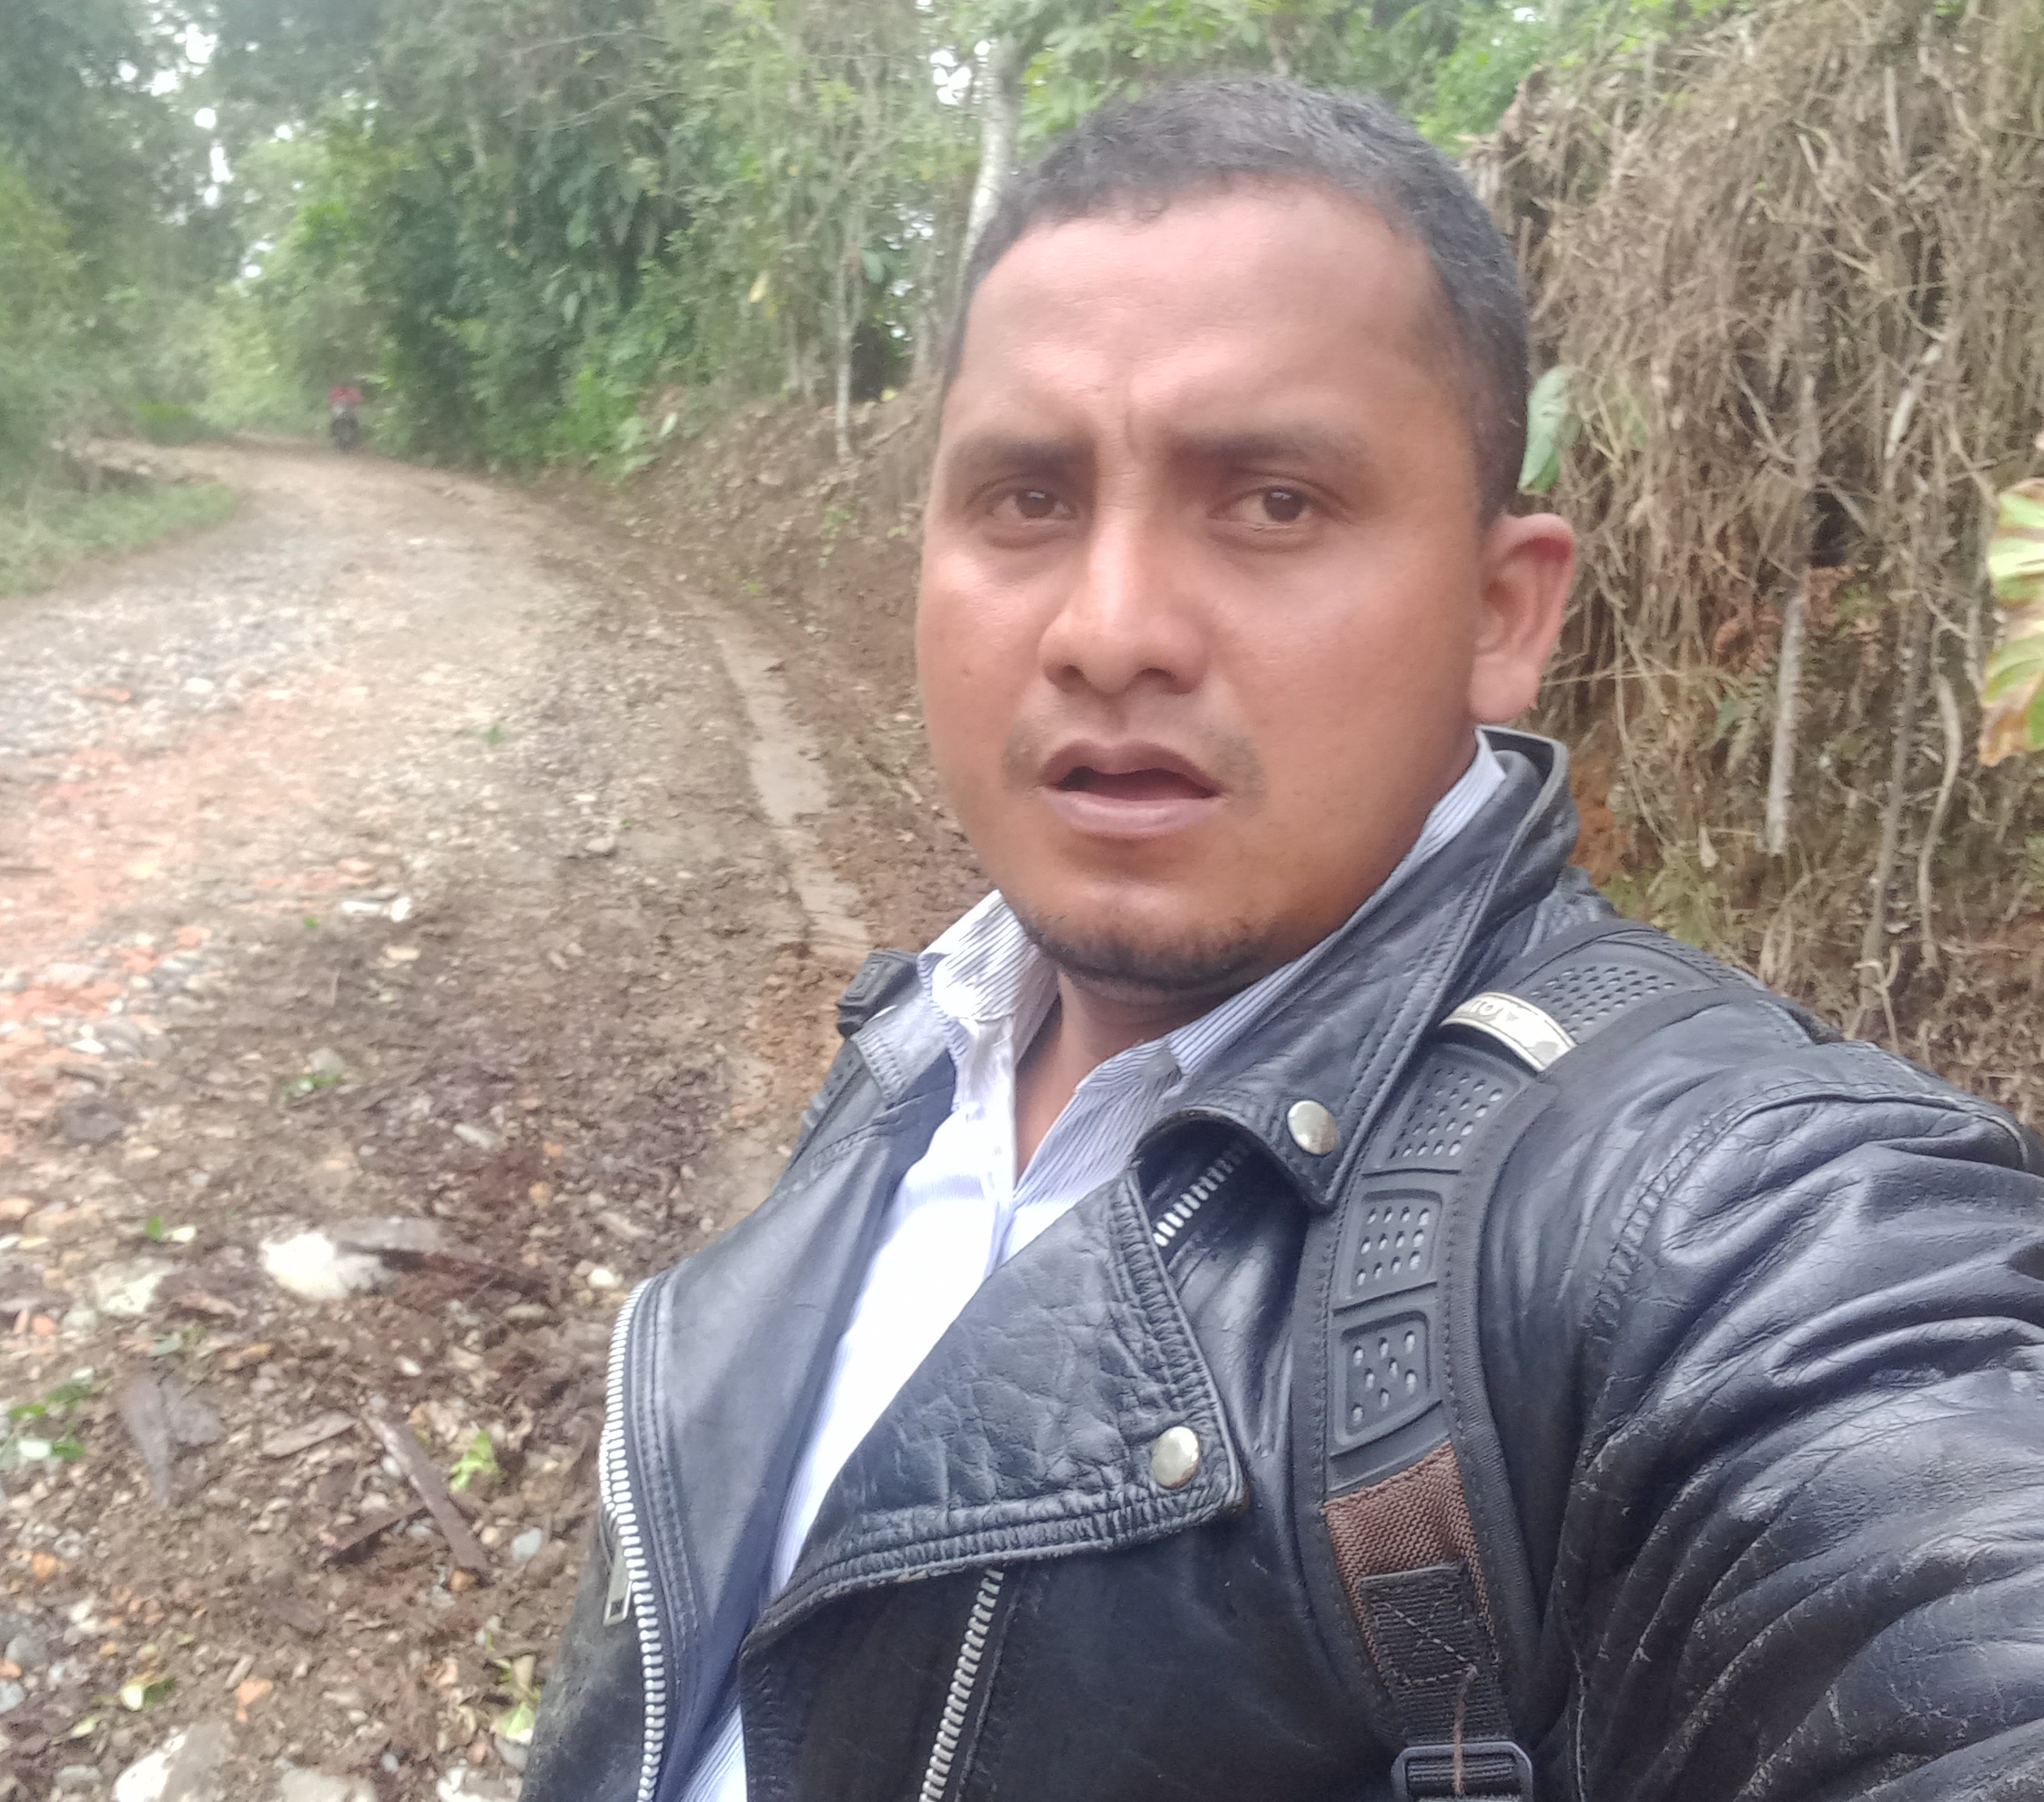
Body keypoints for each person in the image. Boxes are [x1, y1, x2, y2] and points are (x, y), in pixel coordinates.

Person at [524, 76, 2044, 1802]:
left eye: (1273, 503)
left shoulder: (1705, 1219)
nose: (1110, 631)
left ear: (1502, 613)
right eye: (1026, 499)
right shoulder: (923, 1042)